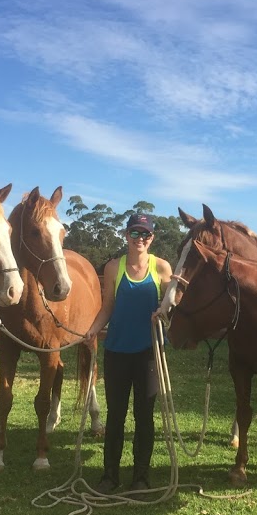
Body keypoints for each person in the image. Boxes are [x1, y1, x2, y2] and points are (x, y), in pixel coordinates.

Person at [82, 212, 173, 494]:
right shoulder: (113, 267)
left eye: (145, 234)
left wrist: (167, 308)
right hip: (117, 352)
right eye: (135, 233)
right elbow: (108, 305)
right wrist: (94, 329)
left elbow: (173, 305)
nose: (140, 239)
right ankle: (110, 475)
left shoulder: (162, 267)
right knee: (116, 415)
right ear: (126, 236)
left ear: (152, 238)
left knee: (144, 416)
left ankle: (141, 477)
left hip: (149, 354)